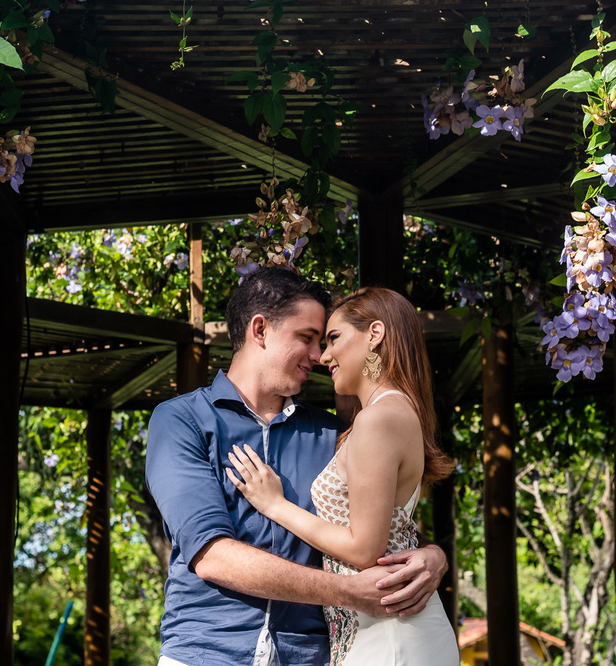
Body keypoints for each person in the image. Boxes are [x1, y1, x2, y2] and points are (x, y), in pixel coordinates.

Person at [146, 269, 448, 666]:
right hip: (207, 652)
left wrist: (432, 556)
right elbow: (213, 556)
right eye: (306, 338)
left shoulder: (333, 434)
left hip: (308, 657)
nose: (318, 357)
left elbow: (375, 526)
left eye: (323, 341)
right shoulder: (181, 420)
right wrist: (347, 591)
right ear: (260, 330)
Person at [228, 287, 461, 665]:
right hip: (380, 627)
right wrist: (434, 554)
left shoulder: (380, 417)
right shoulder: (385, 414)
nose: (324, 356)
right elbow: (393, 530)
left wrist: (276, 505)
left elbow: (365, 549)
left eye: (333, 338)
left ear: (375, 334)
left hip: (392, 634)